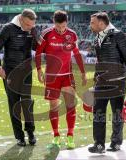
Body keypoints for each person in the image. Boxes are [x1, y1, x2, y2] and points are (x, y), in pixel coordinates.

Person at [35, 10, 87, 149]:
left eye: (63, 27)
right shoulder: (46, 34)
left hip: (67, 75)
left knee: (71, 105)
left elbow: (76, 54)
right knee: (53, 107)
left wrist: (82, 72)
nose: (61, 30)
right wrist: (39, 70)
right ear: (54, 23)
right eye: (58, 27)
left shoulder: (72, 34)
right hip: (52, 77)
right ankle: (56, 136)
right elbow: (38, 53)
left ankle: (70, 136)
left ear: (67, 23)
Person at [88, 12, 126, 153]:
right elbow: (100, 60)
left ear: (101, 23)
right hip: (101, 82)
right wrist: (96, 76)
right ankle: (99, 144)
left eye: (92, 22)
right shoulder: (97, 37)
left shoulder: (118, 35)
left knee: (116, 114)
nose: (90, 25)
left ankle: (116, 143)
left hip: (118, 81)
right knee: (98, 113)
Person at [0, 9, 38, 147]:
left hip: (26, 72)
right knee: (14, 104)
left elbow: (37, 47)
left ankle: (30, 133)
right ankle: (19, 137)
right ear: (21, 19)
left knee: (27, 103)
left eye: (32, 25)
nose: (31, 27)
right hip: (9, 72)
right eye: (28, 25)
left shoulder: (32, 29)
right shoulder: (7, 29)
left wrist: (35, 36)